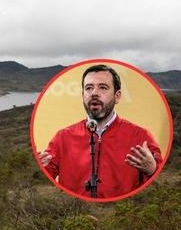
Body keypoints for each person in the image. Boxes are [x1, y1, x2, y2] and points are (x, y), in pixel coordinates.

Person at [39, 64, 163, 198]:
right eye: (89, 88)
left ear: (117, 96)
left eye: (103, 87)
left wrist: (152, 170)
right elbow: (43, 179)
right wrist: (39, 167)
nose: (94, 93)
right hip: (74, 212)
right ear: (83, 95)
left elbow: (161, 188)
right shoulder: (63, 137)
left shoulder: (140, 136)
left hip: (123, 212)